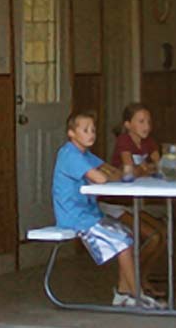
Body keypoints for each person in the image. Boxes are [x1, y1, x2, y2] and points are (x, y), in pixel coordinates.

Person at [52, 111, 163, 309]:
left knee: (127, 234)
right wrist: (114, 175)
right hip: (76, 216)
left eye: (93, 130)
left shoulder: (85, 154)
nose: (91, 134)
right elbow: (102, 177)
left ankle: (123, 293)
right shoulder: (69, 154)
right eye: (85, 130)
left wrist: (113, 174)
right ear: (71, 133)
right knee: (122, 242)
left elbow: (110, 169)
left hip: (90, 213)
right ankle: (137, 295)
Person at [99, 103, 167, 297]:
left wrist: (144, 169)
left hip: (131, 203)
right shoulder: (124, 141)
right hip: (114, 203)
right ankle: (134, 280)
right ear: (128, 125)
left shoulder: (149, 142)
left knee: (161, 233)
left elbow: (161, 167)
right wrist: (144, 168)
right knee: (153, 237)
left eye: (148, 121)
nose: (146, 126)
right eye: (141, 121)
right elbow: (129, 169)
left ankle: (140, 278)